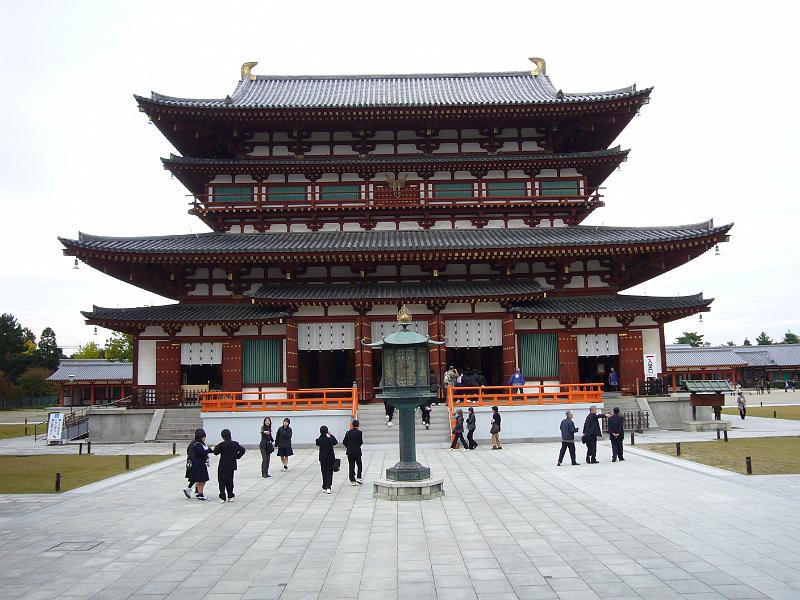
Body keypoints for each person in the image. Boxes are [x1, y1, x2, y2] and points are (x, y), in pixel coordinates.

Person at [213, 428, 245, 503]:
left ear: (222, 436)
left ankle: (222, 496)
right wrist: (237, 456)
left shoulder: (221, 445)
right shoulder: (235, 444)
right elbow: (242, 450)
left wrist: (215, 447)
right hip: (231, 465)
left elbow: (215, 453)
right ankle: (230, 496)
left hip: (222, 465)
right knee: (230, 480)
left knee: (221, 481)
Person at [183, 428, 213, 500]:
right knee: (201, 479)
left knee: (197, 478)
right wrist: (211, 450)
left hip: (195, 463)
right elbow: (203, 452)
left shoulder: (195, 443)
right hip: (197, 464)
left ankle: (195, 491)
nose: (204, 438)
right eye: (203, 437)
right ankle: (199, 494)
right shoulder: (197, 444)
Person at [315, 425, 338, 494]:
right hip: (330, 458)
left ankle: (324, 486)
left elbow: (318, 441)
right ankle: (328, 487)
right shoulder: (330, 439)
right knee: (329, 473)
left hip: (322, 458)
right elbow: (335, 441)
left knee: (324, 472)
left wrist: (322, 434)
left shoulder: (319, 440)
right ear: (326, 431)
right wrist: (330, 435)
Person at [342, 419, 364, 485]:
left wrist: (348, 447)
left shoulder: (348, 432)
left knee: (351, 465)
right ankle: (359, 477)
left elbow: (344, 442)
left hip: (350, 452)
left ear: (352, 425)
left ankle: (352, 480)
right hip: (357, 451)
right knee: (359, 464)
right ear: (358, 425)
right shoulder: (359, 432)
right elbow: (361, 442)